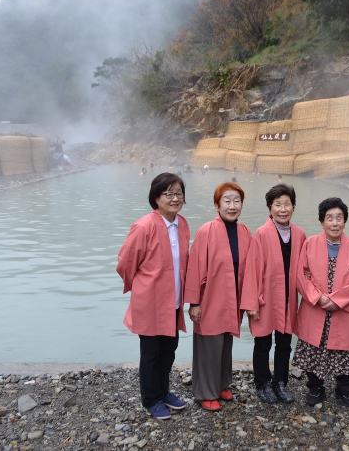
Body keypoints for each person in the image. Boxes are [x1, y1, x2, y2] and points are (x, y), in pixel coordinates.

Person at [116, 173, 189, 420]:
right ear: (156, 198)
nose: (174, 198)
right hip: (150, 303)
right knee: (151, 354)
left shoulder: (183, 224)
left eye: (178, 193)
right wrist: (140, 288)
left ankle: (163, 392)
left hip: (174, 301)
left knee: (169, 350)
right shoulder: (144, 226)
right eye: (168, 193)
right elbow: (125, 263)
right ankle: (151, 399)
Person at [293, 198, 349, 408]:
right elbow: (301, 275)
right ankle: (315, 387)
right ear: (321, 222)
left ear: (345, 221)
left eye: (339, 218)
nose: (335, 223)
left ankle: (345, 389)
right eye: (329, 218)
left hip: (344, 310)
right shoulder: (309, 244)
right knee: (314, 348)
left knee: (346, 350)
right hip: (316, 307)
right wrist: (318, 297)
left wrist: (338, 301)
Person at [185, 182, 252, 412]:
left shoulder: (244, 232)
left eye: (237, 201)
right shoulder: (206, 231)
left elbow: (250, 268)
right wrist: (194, 303)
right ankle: (205, 392)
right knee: (209, 345)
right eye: (227, 201)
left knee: (225, 344)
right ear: (217, 205)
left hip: (233, 298)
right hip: (210, 298)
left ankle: (222, 384)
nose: (232, 206)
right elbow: (194, 268)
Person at [241, 184, 306, 404]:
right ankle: (262, 383)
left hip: (288, 299)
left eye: (287, 204)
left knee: (285, 343)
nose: (282, 209)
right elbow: (252, 269)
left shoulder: (299, 234)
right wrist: (251, 302)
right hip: (266, 298)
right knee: (263, 343)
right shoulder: (261, 233)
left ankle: (280, 382)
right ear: (270, 207)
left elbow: (305, 269)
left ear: (293, 207)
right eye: (277, 204)